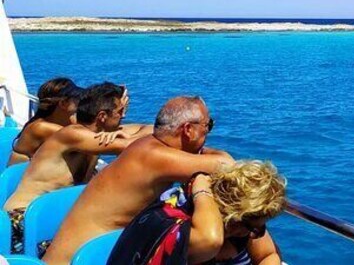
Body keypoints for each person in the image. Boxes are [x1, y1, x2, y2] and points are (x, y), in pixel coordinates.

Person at [43, 96, 234, 265]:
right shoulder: (156, 156)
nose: (208, 133)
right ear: (188, 130)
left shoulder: (147, 144)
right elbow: (226, 163)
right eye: (208, 126)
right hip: (78, 259)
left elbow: (150, 128)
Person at [4, 82, 152, 255]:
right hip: (21, 219)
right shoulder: (72, 134)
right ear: (102, 116)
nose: (124, 116)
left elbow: (152, 129)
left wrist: (124, 131)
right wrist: (127, 137)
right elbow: (130, 146)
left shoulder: (99, 132)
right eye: (120, 112)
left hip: (57, 216)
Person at [107, 160, 287, 265]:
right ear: (233, 215)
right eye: (252, 227)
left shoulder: (246, 227)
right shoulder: (180, 228)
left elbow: (267, 255)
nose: (252, 233)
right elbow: (211, 239)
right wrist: (201, 190)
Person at [6, 77, 84, 166]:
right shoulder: (40, 127)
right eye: (76, 99)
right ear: (63, 104)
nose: (80, 102)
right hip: (18, 177)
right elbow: (83, 139)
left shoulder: (49, 122)